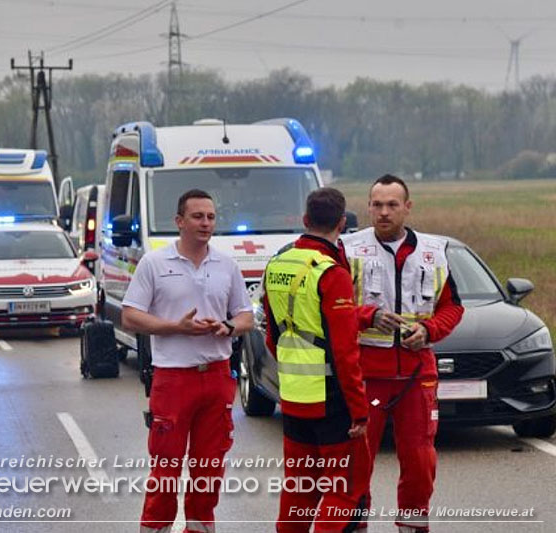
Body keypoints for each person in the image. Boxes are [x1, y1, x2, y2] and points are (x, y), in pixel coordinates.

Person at [122, 189, 254, 533]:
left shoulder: (227, 265)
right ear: (179, 222)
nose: (205, 223)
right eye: (197, 216)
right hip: (173, 379)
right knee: (166, 470)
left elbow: (246, 316)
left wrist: (227, 327)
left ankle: (197, 528)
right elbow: (130, 316)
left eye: (210, 217)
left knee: (208, 470)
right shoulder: (154, 263)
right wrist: (174, 327)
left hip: (216, 377)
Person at [341, 175, 464, 533]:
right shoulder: (347, 250)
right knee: (357, 461)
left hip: (416, 375)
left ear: (407, 208)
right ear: (368, 206)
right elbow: (331, 309)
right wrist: (368, 316)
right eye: (376, 204)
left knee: (420, 461)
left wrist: (429, 330)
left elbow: (452, 307)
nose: (383, 212)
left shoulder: (434, 251)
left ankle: (412, 527)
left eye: (392, 205)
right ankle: (354, 525)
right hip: (366, 375)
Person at [263, 188, 370, 533]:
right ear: (341, 223)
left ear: (305, 220)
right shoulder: (331, 273)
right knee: (344, 490)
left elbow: (272, 334)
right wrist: (360, 410)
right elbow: (345, 351)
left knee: (299, 488)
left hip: (293, 395)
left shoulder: (276, 264)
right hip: (332, 399)